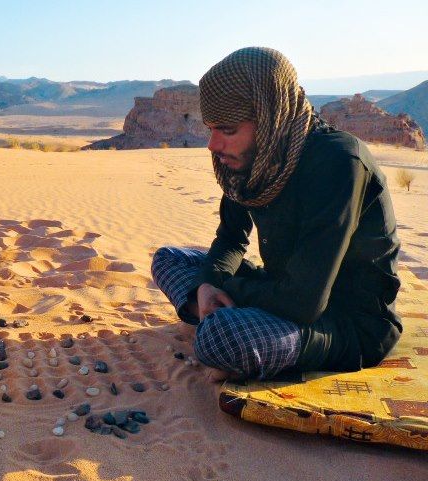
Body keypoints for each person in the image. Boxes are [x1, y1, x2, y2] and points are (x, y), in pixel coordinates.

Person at [151, 47, 402, 381]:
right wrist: (210, 285)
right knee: (169, 259)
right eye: (211, 129)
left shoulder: (339, 162)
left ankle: (226, 326)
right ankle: (227, 320)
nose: (212, 145)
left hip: (343, 322)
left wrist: (226, 289)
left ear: (270, 119)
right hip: (281, 291)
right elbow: (230, 238)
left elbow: (304, 303)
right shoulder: (255, 159)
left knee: (220, 337)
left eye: (227, 130)